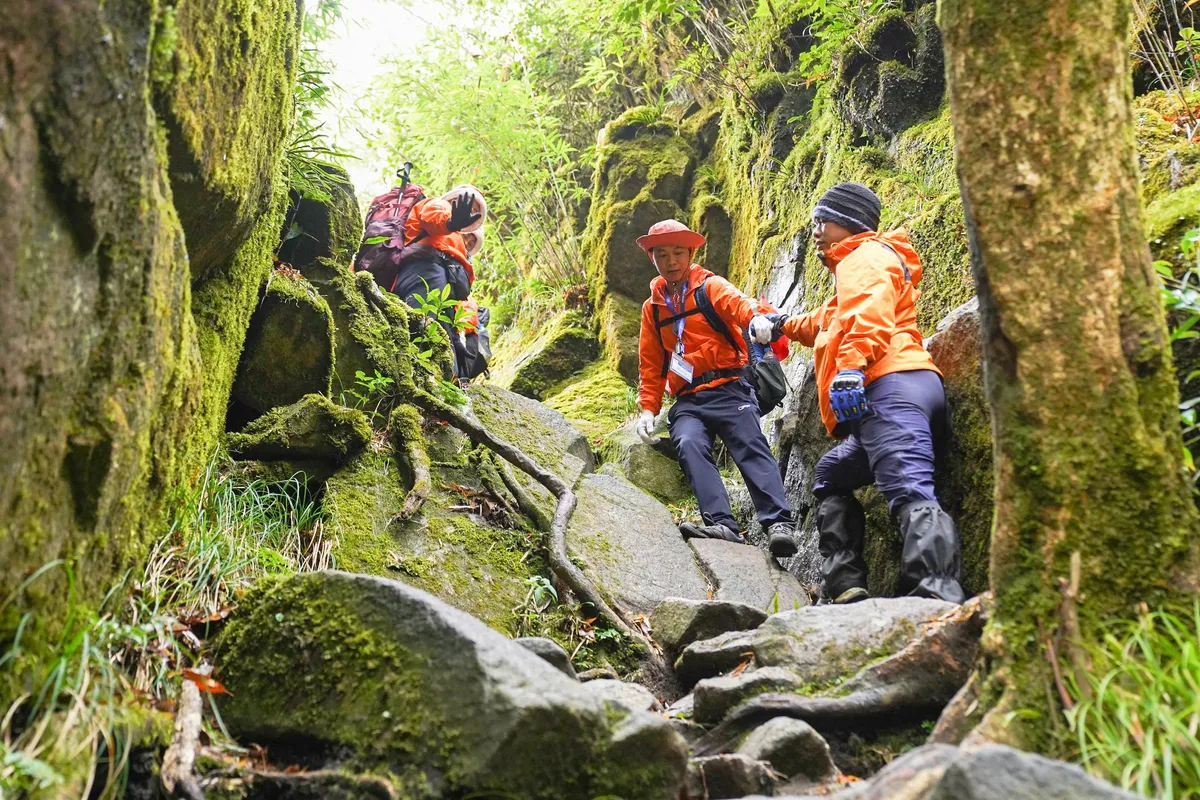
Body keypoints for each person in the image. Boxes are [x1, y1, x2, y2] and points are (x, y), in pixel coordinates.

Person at [757, 182, 965, 604]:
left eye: (824, 220)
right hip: (904, 391)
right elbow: (826, 319)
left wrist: (850, 368)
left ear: (849, 223)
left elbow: (868, 312)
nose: (816, 230)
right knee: (831, 474)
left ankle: (938, 597)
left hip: (889, 385)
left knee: (909, 488)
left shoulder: (863, 257)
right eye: (814, 221)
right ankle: (846, 585)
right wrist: (780, 325)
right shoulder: (860, 267)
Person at [634, 219, 795, 545]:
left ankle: (779, 525)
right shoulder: (653, 309)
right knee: (689, 443)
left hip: (730, 386)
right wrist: (648, 408)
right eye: (662, 255)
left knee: (749, 444)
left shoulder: (710, 286)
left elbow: (740, 304)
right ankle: (722, 524)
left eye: (678, 253)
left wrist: (757, 319)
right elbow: (651, 364)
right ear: (652, 258)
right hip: (689, 399)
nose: (671, 261)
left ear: (690, 253)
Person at [391, 184, 486, 379]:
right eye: (469, 205)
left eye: (476, 210)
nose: (471, 211)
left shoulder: (456, 246)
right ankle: (409, 379)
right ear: (453, 199)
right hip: (425, 274)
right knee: (421, 332)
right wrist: (450, 222)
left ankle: (439, 383)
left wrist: (457, 336)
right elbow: (433, 216)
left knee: (440, 343)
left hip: (441, 287)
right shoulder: (439, 205)